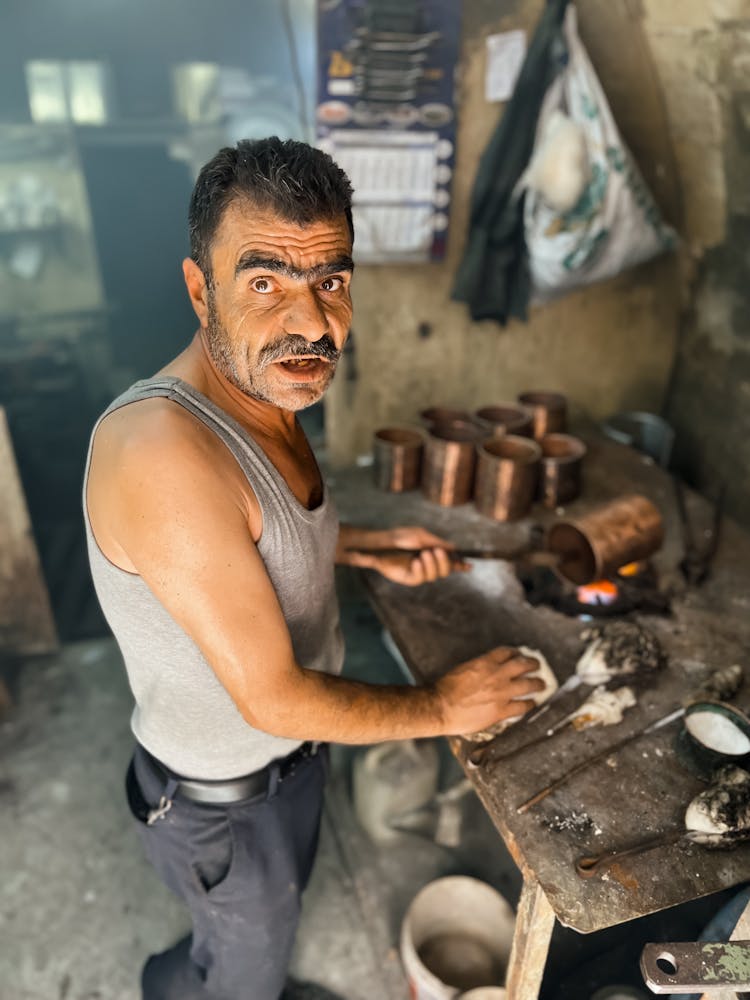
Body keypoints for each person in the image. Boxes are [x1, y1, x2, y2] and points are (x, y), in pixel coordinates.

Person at [83, 136, 543, 1000]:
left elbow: (251, 539)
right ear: (199, 289)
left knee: (255, 930)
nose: (310, 321)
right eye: (265, 283)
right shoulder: (162, 454)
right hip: (223, 800)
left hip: (280, 767)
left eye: (329, 279)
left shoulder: (264, 392)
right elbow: (274, 698)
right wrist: (445, 707)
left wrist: (356, 543)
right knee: (247, 964)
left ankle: (190, 977)